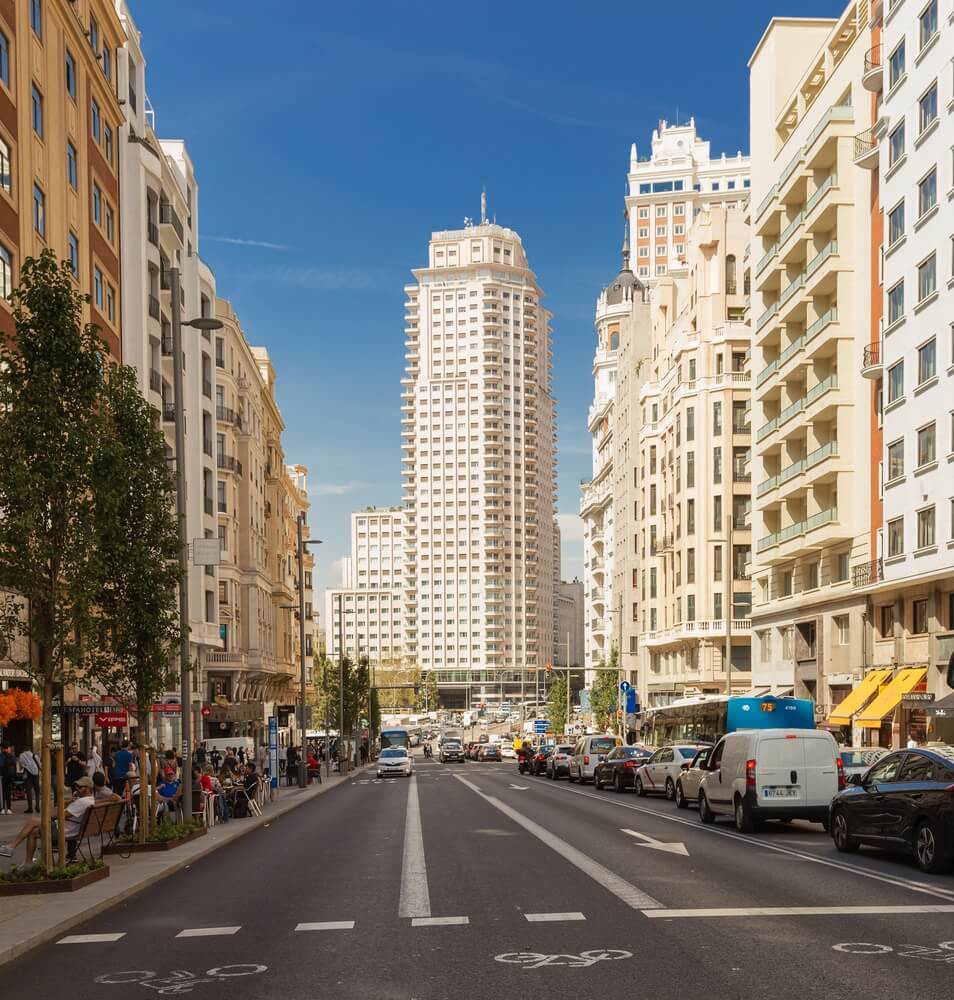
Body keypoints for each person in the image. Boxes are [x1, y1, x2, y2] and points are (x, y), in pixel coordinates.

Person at [0, 777, 95, 863]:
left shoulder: (81, 802)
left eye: (80, 787)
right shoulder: (89, 800)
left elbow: (59, 815)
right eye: (77, 786)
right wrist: (69, 802)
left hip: (62, 830)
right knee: (33, 831)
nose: (77, 788)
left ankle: (11, 847)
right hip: (69, 829)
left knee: (32, 821)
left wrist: (50, 815)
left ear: (88, 788)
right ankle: (25, 861)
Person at [17, 746, 39, 813]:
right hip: (36, 774)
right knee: (37, 791)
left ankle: (30, 808)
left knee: (28, 791)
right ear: (29, 749)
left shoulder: (22, 755)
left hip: (28, 775)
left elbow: (21, 766)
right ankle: (37, 806)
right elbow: (39, 764)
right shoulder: (34, 755)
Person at [0, 743, 16, 814]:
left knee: (2, 792)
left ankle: (2, 809)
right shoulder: (12, 755)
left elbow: (1, 764)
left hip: (2, 776)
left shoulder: (1, 755)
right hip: (10, 776)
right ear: (8, 748)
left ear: (3, 748)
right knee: (8, 792)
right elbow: (14, 764)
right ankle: (9, 809)